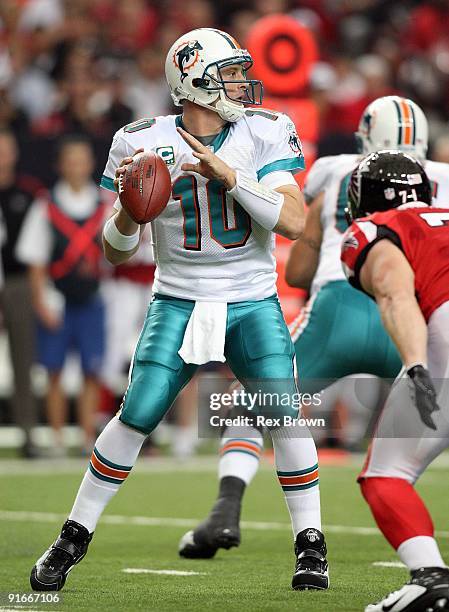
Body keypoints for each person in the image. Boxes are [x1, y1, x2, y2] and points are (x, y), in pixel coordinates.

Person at [30, 28, 329, 592]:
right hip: (178, 296)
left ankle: (311, 545)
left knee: (284, 412)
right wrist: (127, 212)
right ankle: (72, 536)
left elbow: (293, 223)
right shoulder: (139, 141)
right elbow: (114, 252)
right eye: (230, 73)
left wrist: (230, 176)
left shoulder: (264, 131)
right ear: (194, 83)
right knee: (136, 413)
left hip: (250, 295)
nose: (242, 82)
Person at [179, 96, 449, 559]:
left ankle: (227, 507)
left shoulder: (334, 167)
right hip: (415, 322)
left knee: (250, 405)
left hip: (338, 307)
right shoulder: (443, 178)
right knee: (402, 454)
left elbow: (299, 262)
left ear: (367, 134)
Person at [341, 150, 449, 612]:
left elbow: (393, 289)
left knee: (387, 475)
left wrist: (417, 363)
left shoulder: (374, 229)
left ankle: (431, 578)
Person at [16, 135, 107, 455]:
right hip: (58, 299)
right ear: (60, 166)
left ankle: (86, 438)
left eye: (82, 161)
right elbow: (35, 260)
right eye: (70, 161)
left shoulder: (102, 204)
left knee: (91, 371)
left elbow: (114, 252)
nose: (76, 167)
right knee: (53, 371)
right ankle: (55, 439)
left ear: (90, 165)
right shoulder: (46, 205)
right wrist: (40, 301)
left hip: (92, 299)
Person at [0, 128, 42, 457]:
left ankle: (28, 435)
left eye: (6, 149)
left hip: (18, 284)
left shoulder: (28, 193)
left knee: (23, 361)